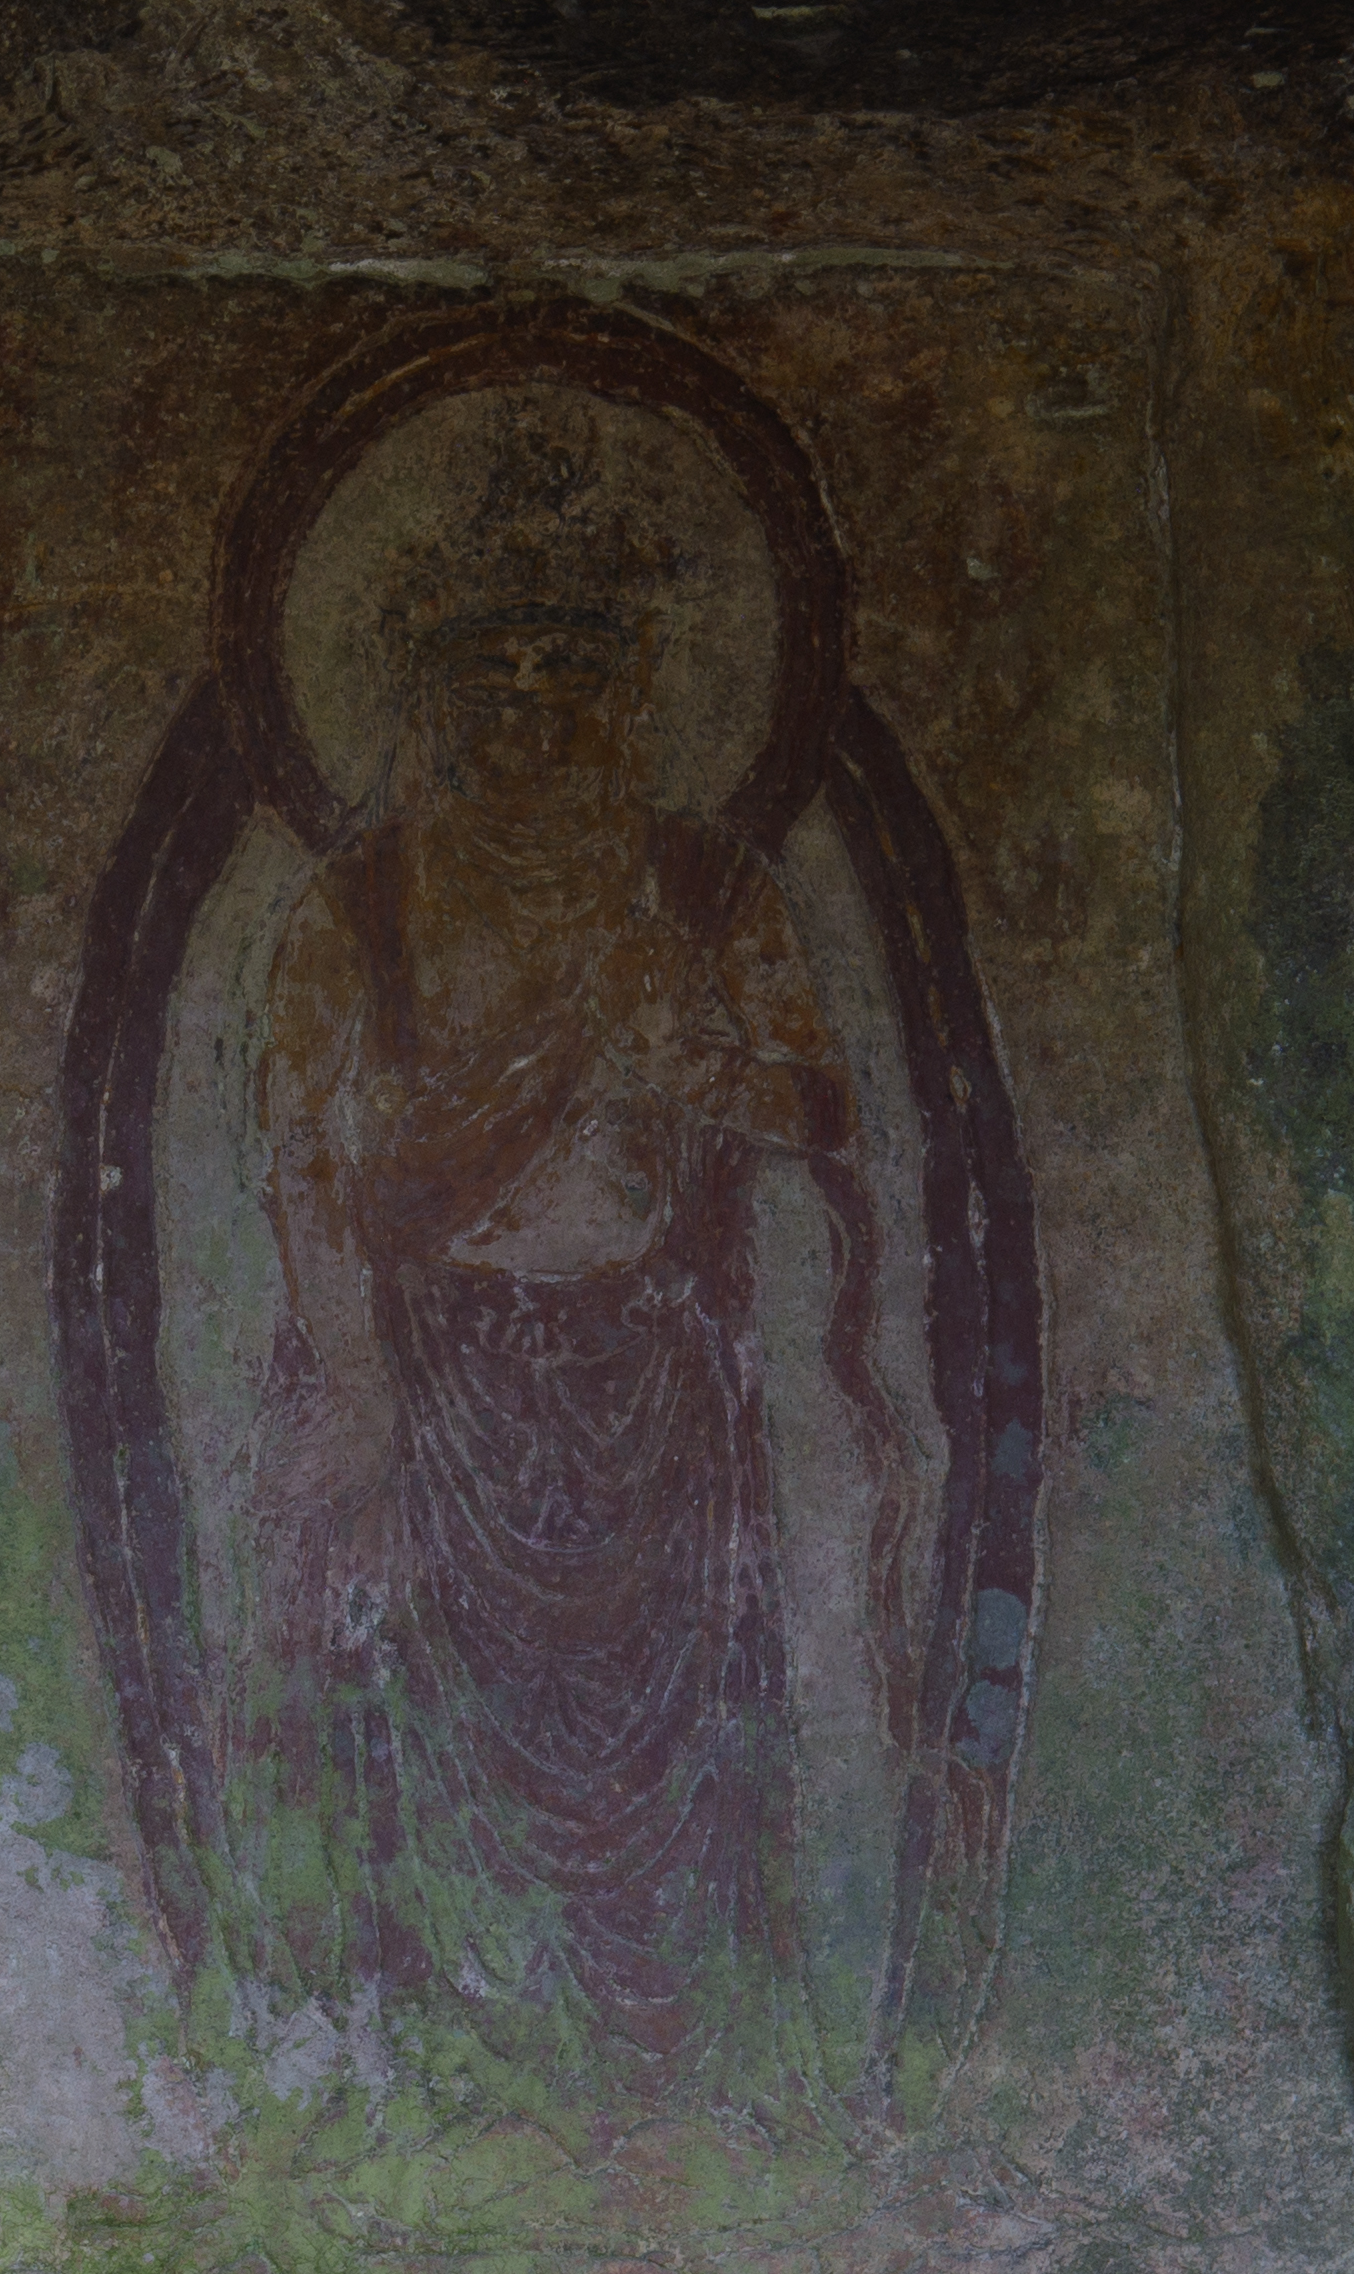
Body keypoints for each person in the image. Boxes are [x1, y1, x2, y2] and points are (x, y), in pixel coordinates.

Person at [239, 417, 900, 2065]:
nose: (531, 706)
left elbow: (826, 1110)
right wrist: (357, 1391)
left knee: (675, 1731)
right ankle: (473, 2077)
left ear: (631, 690)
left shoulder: (703, 882)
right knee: (447, 1728)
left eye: (569, 667)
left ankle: (683, 2059)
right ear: (429, 697)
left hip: (657, 1386)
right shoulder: (361, 903)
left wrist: (695, 1062)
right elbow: (298, 1156)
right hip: (438, 1375)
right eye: (493, 670)